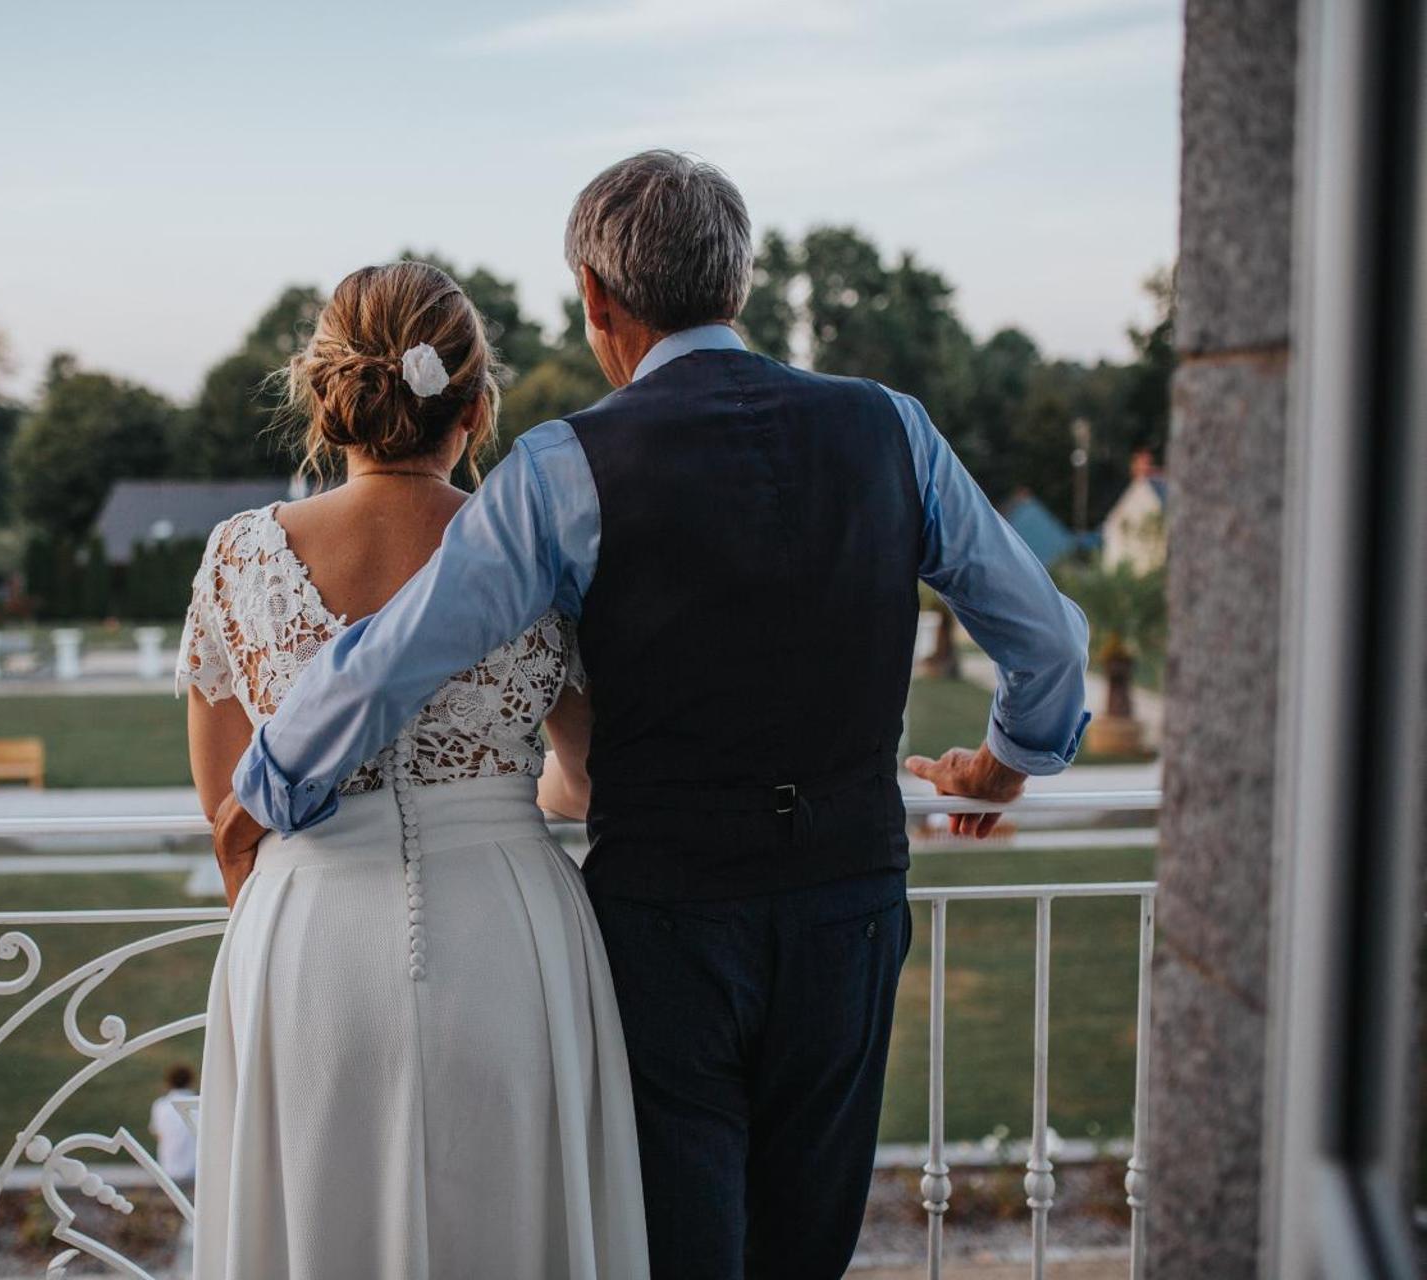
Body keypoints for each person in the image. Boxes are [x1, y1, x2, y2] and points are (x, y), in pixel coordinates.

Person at [216, 151, 1092, 1278]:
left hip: (669, 920)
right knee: (805, 1241)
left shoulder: (564, 467)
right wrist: (1011, 759)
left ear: (596, 297)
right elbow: (1050, 641)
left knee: (680, 1246)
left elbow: (398, 655)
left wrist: (270, 781)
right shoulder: (890, 428)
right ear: (738, 283)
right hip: (850, 903)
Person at [181, 261, 649, 1280]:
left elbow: (226, 805)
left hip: (308, 939)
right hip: (510, 935)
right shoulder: (539, 553)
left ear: (324, 402)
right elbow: (589, 771)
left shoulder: (240, 556)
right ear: (476, 409)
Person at [149, 1063, 198, 1194]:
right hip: (196, 1170)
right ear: (191, 1081)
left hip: (168, 1169)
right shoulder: (199, 1105)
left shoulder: (160, 1105)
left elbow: (158, 1134)